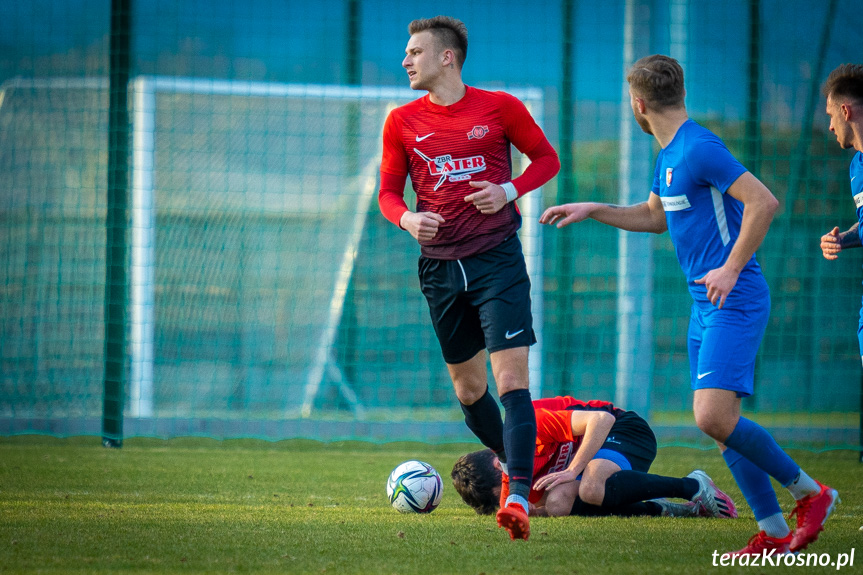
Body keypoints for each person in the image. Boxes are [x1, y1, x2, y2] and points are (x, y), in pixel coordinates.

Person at [538, 55, 837, 555]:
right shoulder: (669, 155)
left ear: (637, 104)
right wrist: (595, 209)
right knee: (724, 431)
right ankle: (776, 533)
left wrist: (732, 266)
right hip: (704, 306)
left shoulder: (699, 148)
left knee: (711, 417)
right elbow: (655, 216)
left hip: (733, 298)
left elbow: (764, 201)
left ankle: (812, 493)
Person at [377, 16, 560, 541]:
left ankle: (520, 495)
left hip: (496, 260)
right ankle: (516, 465)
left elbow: (547, 160)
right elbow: (388, 194)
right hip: (438, 267)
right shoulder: (400, 121)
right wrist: (408, 218)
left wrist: (507, 190)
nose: (406, 61)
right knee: (469, 387)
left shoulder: (499, 107)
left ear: (446, 58)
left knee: (511, 383)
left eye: (415, 52)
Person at [452, 395, 738, 520]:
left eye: (507, 481)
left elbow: (599, 420)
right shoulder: (509, 491)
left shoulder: (530, 425)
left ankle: (693, 486)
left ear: (496, 460)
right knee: (558, 503)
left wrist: (572, 469)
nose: (514, 488)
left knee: (591, 486)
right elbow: (539, 507)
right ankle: (662, 509)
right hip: (598, 458)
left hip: (624, 428)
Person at [818, 64, 863, 364]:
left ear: (845, 111)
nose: (831, 127)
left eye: (831, 116)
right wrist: (843, 239)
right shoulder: (856, 167)